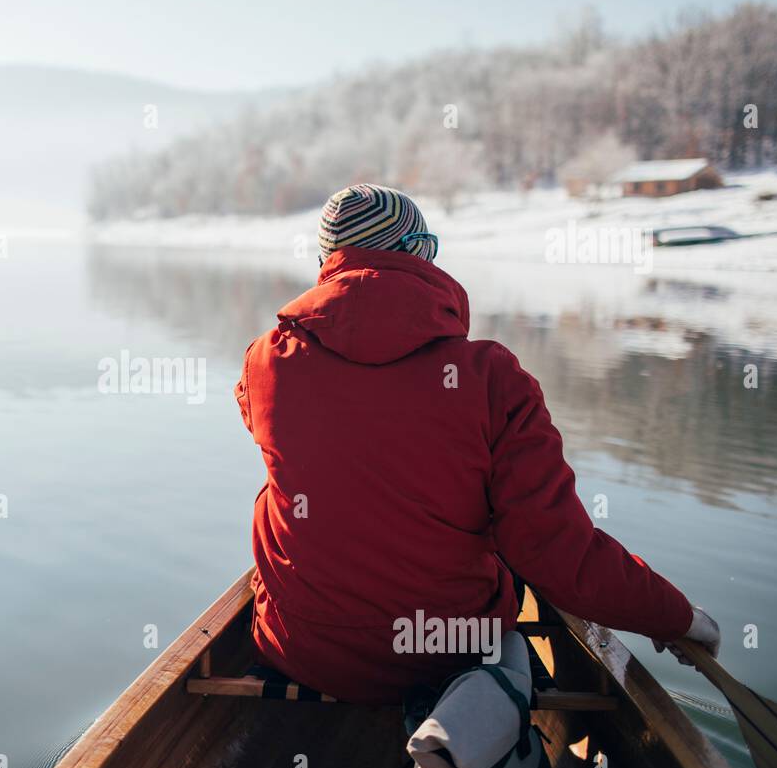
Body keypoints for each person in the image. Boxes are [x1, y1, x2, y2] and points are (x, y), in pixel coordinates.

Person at [234, 184, 720, 704]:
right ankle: (467, 735)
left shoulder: (265, 362)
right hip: (444, 653)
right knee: (505, 628)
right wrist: (677, 616)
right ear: (420, 253)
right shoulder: (491, 377)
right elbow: (554, 550)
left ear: (326, 264)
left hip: (303, 649)